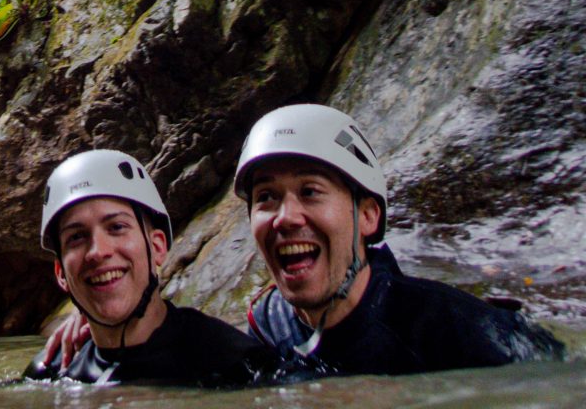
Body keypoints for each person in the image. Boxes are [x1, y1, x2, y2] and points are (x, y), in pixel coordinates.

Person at [237, 103, 565, 375]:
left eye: (310, 191)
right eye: (266, 196)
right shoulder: (270, 327)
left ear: (367, 216)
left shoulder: (452, 328)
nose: (285, 217)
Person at [23, 148, 289, 386]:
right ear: (61, 274)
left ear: (157, 247)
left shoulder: (239, 362)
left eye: (116, 227)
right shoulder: (50, 373)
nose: (98, 252)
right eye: (77, 237)